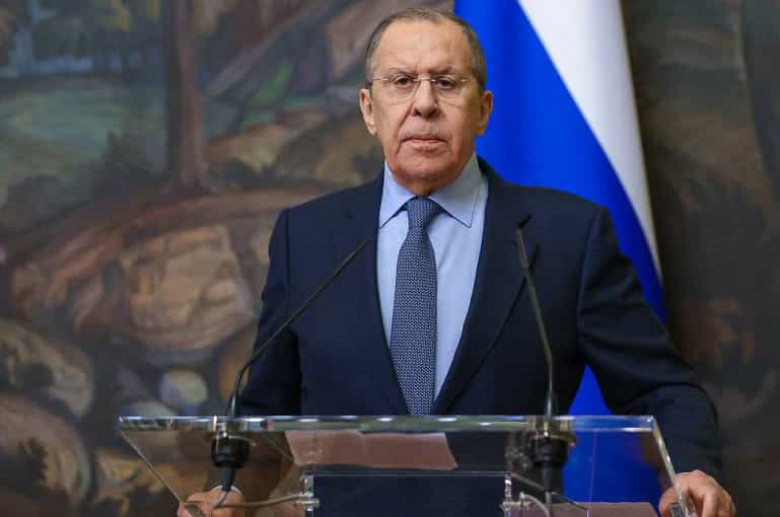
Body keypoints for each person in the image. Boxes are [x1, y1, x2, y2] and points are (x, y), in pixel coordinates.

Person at [180, 7, 735, 517]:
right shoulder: (307, 238)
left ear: (483, 111)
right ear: (369, 109)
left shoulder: (567, 237)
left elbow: (662, 389)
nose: (424, 104)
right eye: (402, 82)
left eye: (446, 83)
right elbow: (263, 412)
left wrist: (689, 469)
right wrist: (231, 493)